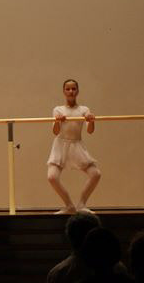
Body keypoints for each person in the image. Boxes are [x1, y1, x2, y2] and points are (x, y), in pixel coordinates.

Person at [47, 79, 102, 214]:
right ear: (64, 91)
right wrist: (57, 121)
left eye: (73, 89)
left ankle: (81, 204)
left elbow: (90, 131)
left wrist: (91, 120)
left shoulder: (84, 109)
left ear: (77, 91)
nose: (71, 91)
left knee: (95, 174)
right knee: (52, 177)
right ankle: (69, 205)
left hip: (76, 145)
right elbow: (54, 132)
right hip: (60, 145)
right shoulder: (58, 109)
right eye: (68, 89)